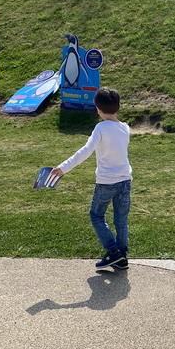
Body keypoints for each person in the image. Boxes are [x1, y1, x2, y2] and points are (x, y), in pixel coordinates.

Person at [46, 88, 132, 270]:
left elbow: (86, 150)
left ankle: (113, 251)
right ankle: (122, 256)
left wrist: (64, 167)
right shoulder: (125, 128)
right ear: (119, 107)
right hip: (125, 180)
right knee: (121, 219)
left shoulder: (100, 128)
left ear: (97, 109)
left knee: (96, 215)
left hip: (106, 182)